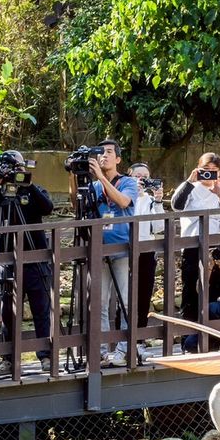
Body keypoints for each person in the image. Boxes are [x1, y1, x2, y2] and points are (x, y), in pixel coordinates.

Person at [0, 151, 57, 374]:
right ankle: (9, 359)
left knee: (41, 309)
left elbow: (47, 208)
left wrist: (27, 184)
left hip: (35, 258)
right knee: (8, 314)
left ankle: (46, 356)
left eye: (17, 168)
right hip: (8, 260)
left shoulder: (33, 190)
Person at [170, 153, 220, 351]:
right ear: (198, 169)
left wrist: (219, 194)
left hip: (217, 248)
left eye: (214, 171)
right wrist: (190, 181)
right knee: (190, 292)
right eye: (205, 170)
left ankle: (212, 340)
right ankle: (187, 341)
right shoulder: (190, 188)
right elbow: (176, 206)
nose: (209, 174)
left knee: (215, 291)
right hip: (192, 246)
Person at [86, 142, 138, 367]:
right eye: (100, 153)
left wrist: (101, 177)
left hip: (122, 248)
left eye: (109, 152)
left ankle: (124, 350)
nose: (104, 156)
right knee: (99, 302)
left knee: (125, 300)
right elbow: (77, 204)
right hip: (99, 248)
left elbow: (124, 201)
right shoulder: (94, 185)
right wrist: (74, 175)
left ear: (118, 159)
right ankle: (100, 351)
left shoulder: (128, 182)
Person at [129, 163, 165, 357]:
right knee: (125, 297)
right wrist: (134, 193)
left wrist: (158, 201)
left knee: (143, 297)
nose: (141, 179)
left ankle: (139, 341)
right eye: (137, 176)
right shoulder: (124, 197)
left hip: (147, 250)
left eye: (145, 176)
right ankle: (122, 342)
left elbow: (159, 227)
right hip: (126, 250)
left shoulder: (150, 200)